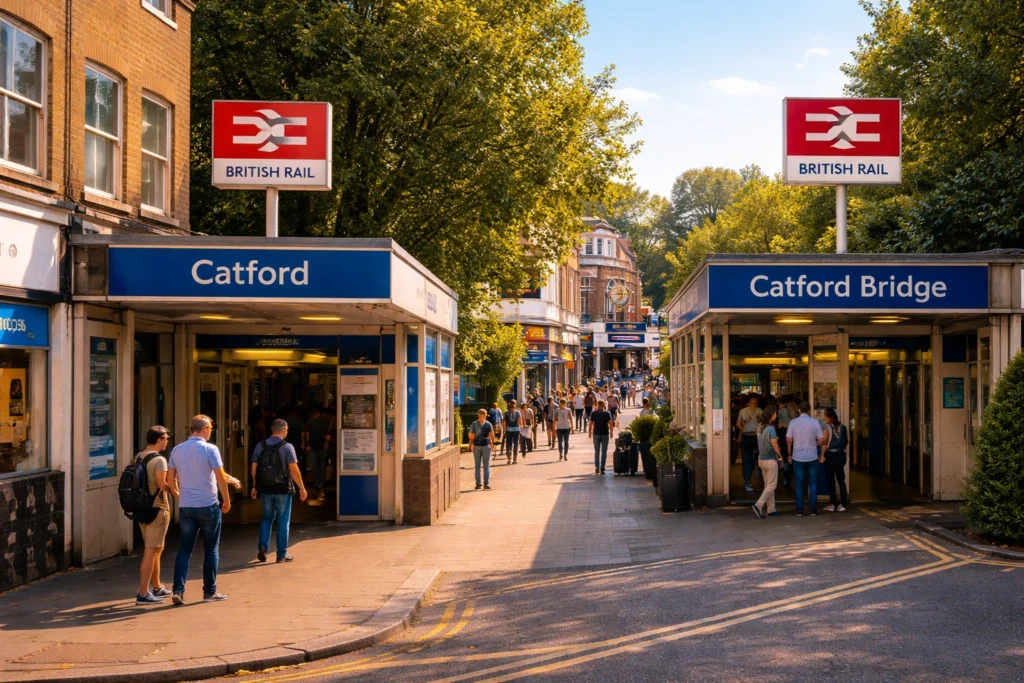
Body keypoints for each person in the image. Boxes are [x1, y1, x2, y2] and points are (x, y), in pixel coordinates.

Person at [168, 415, 242, 605]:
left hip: (187, 507)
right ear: (206, 429)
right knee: (211, 549)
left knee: (184, 549)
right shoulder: (211, 449)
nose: (211, 431)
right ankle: (209, 592)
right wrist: (226, 500)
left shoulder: (177, 450)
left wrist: (180, 496)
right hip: (208, 505)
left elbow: (170, 480)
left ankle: (178, 590)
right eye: (210, 428)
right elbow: (220, 477)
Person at [251, 419, 308, 563]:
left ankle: (263, 547)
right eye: (287, 430)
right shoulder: (287, 447)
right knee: (283, 521)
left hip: (265, 489)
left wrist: (254, 485)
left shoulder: (260, 445)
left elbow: (254, 468)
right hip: (283, 489)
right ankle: (281, 555)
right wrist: (302, 487)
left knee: (266, 519)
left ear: (272, 429)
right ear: (283, 430)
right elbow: (293, 469)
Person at [134, 426, 174, 605]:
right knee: (151, 550)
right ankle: (143, 593)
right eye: (166, 438)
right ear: (159, 440)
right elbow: (162, 485)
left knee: (156, 548)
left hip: (141, 509)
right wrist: (177, 488)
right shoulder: (159, 461)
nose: (167, 441)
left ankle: (157, 586)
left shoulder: (138, 456)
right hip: (157, 508)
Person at [786, 402, 826, 517]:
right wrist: (818, 446)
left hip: (797, 457)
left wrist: (789, 455)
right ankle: (813, 510)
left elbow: (789, 441)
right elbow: (821, 440)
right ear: (809, 411)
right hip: (812, 456)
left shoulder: (793, 423)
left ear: (799, 410)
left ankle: (799, 510)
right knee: (813, 483)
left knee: (799, 483)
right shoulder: (815, 422)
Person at [752, 407, 783, 519]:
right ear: (771, 415)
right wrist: (780, 455)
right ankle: (758, 505)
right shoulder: (771, 429)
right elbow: (774, 444)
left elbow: (764, 441)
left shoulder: (760, 427)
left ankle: (771, 509)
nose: (775, 416)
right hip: (770, 460)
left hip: (761, 459)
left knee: (768, 485)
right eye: (774, 414)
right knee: (772, 485)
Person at [822, 408, 850, 512]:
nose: (824, 418)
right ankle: (843, 503)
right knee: (841, 479)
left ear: (829, 417)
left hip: (830, 456)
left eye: (825, 416)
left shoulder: (827, 427)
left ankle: (832, 503)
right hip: (841, 455)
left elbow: (824, 441)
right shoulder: (843, 427)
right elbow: (846, 441)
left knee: (831, 480)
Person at [302, 405, 332, 501]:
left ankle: (319, 485)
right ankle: (320, 486)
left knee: (316, 466)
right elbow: (328, 435)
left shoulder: (310, 421)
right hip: (321, 446)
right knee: (321, 466)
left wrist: (306, 445)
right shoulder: (325, 421)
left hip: (314, 446)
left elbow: (306, 434)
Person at [735, 394, 762, 494]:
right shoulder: (743, 411)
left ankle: (752, 481)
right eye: (752, 401)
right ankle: (748, 482)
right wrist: (742, 430)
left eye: (755, 401)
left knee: (754, 460)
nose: (754, 402)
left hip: (756, 436)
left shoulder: (760, 411)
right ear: (749, 401)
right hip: (747, 436)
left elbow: (762, 424)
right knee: (748, 461)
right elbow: (738, 424)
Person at [470, 409, 495, 489]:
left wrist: (470, 445)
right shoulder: (488, 424)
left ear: (478, 414)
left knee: (477, 466)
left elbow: (471, 436)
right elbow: (492, 435)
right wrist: (492, 444)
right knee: (486, 465)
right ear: (485, 415)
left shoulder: (474, 424)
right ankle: (486, 484)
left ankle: (478, 484)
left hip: (477, 446)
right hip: (486, 446)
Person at [588, 400, 615, 475]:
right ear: (603, 405)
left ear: (598, 405)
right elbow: (610, 423)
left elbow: (590, 424)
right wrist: (611, 432)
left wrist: (589, 433)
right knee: (604, 451)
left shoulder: (594, 413)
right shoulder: (607, 413)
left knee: (597, 451)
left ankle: (597, 467)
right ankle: (602, 468)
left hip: (596, 434)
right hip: (605, 434)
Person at [503, 400, 523, 464]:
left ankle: (509, 459)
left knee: (508, 444)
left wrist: (504, 430)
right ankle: (515, 459)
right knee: (516, 444)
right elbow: (520, 422)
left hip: (508, 430)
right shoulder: (517, 412)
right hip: (516, 430)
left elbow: (504, 422)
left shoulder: (506, 413)